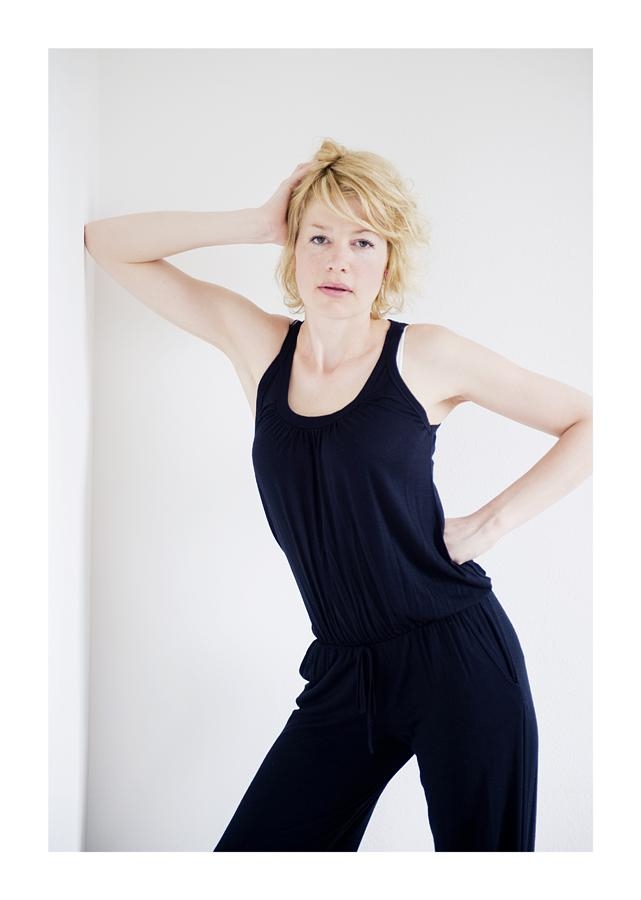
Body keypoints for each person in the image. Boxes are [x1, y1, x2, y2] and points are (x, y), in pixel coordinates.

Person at [84, 138, 592, 852]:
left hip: (459, 657)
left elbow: (591, 421)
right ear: (293, 247)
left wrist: (486, 525)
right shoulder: (260, 347)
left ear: (388, 259)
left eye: (362, 241)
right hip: (344, 672)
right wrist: (256, 221)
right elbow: (107, 244)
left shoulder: (425, 355)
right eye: (318, 237)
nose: (338, 261)